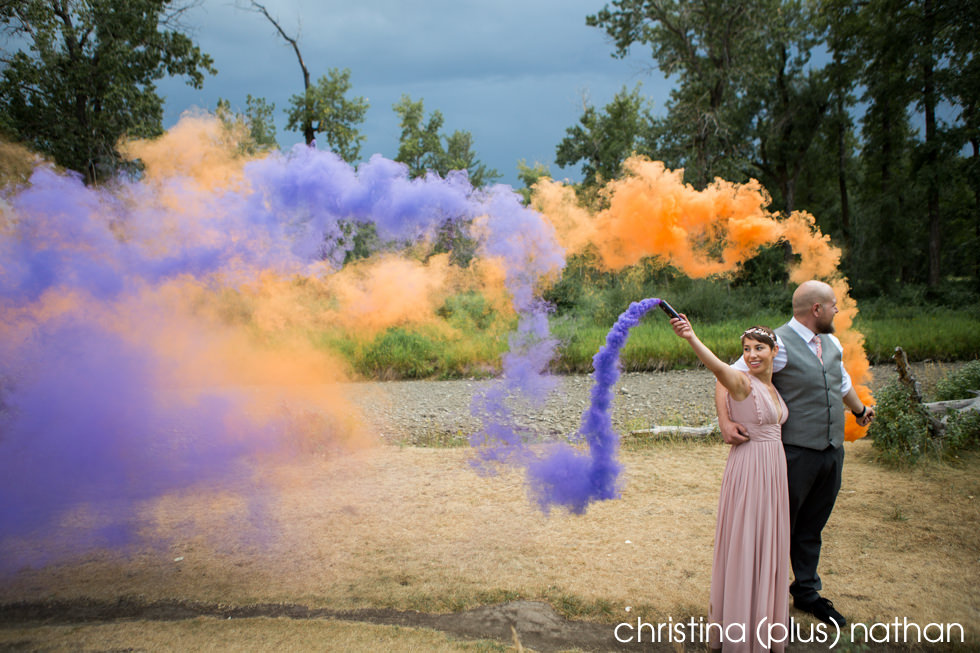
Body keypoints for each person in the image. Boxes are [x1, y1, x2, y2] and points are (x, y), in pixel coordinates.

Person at [716, 280, 875, 628]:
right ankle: (763, 599)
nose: (836, 310)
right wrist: (725, 422)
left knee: (812, 526)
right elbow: (726, 376)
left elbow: (841, 382)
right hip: (793, 454)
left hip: (831, 451)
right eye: (833, 305)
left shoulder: (831, 342)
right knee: (777, 527)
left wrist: (860, 410)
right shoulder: (779, 344)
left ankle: (806, 592)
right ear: (816, 309)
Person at [670, 315, 789, 652]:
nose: (752, 354)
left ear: (774, 351)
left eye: (759, 348)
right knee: (747, 540)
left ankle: (763, 620)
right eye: (747, 349)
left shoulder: (772, 385)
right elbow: (718, 369)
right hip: (750, 468)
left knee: (769, 541)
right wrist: (692, 338)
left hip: (774, 469)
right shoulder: (743, 383)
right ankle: (740, 627)